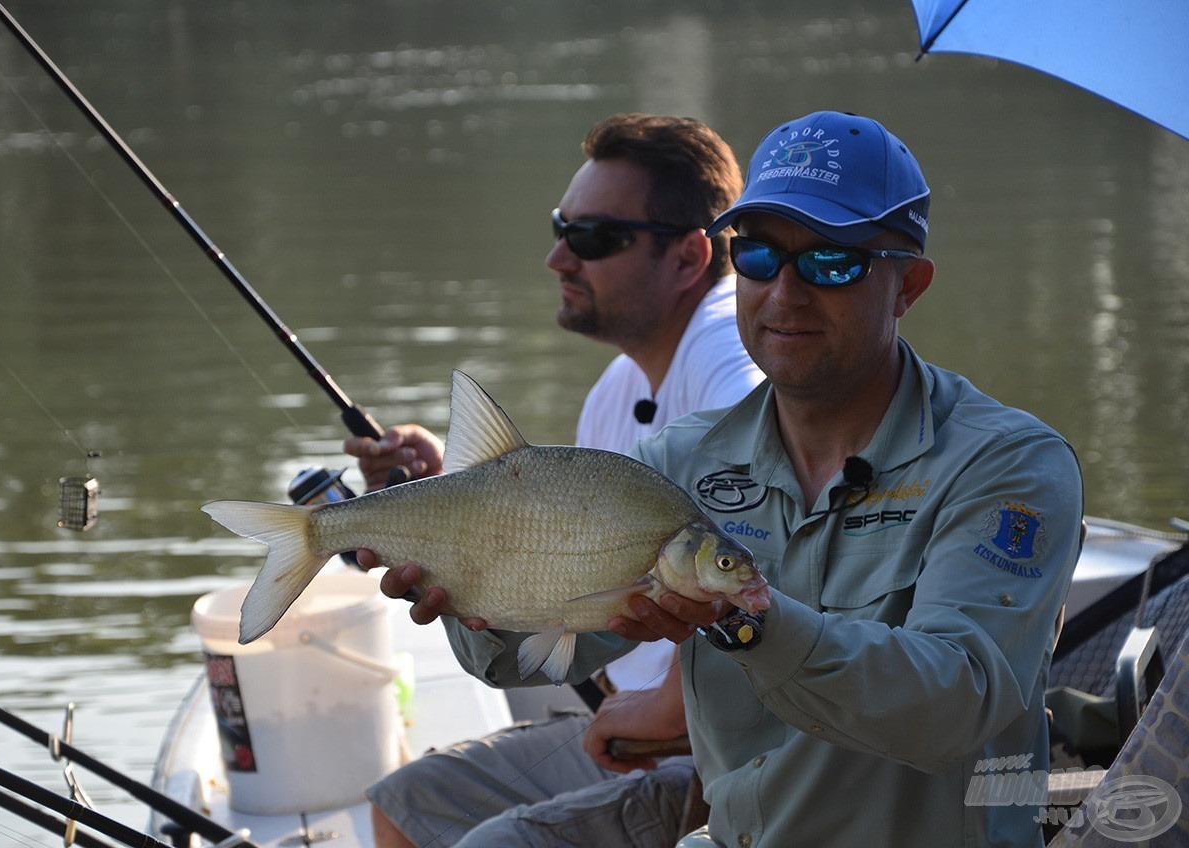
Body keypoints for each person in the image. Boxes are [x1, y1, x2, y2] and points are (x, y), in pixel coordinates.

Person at [382, 110, 1085, 848]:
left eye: (831, 261)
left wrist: (746, 619)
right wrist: (460, 583)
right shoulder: (679, 462)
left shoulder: (1008, 465)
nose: (786, 292)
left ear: (909, 284)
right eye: (757, 256)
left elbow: (954, 709)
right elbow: (516, 656)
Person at [344, 113, 762, 848]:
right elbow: (561, 542)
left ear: (691, 257)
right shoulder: (619, 383)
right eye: (561, 226)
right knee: (408, 803)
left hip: (703, 749)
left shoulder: (729, 362)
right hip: (613, 714)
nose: (557, 258)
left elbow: (765, 541)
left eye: (593, 237)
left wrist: (670, 706)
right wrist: (450, 501)